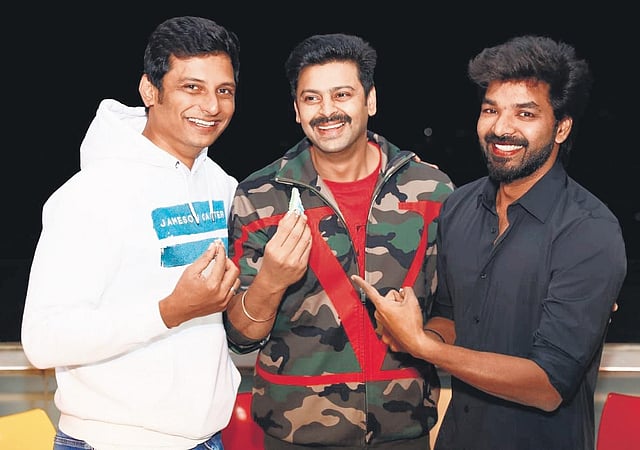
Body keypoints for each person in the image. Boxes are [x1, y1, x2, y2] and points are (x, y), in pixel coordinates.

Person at [351, 35, 628, 450]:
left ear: (561, 127)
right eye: (491, 110)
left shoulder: (589, 231)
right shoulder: (459, 206)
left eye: (525, 113)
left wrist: (424, 348)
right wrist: (411, 332)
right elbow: (450, 317)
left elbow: (549, 385)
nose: (501, 128)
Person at [223, 33, 455, 449]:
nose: (327, 110)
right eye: (311, 98)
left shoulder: (430, 191)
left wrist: (426, 343)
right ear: (296, 110)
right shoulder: (259, 197)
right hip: (294, 432)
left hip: (403, 430)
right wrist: (271, 280)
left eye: (342, 94)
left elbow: (454, 310)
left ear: (370, 100)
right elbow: (240, 336)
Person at [21, 16, 243, 450]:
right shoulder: (90, 193)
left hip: (207, 439)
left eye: (224, 91)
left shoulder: (223, 186)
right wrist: (169, 310)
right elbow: (43, 340)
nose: (212, 106)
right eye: (192, 87)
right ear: (150, 90)